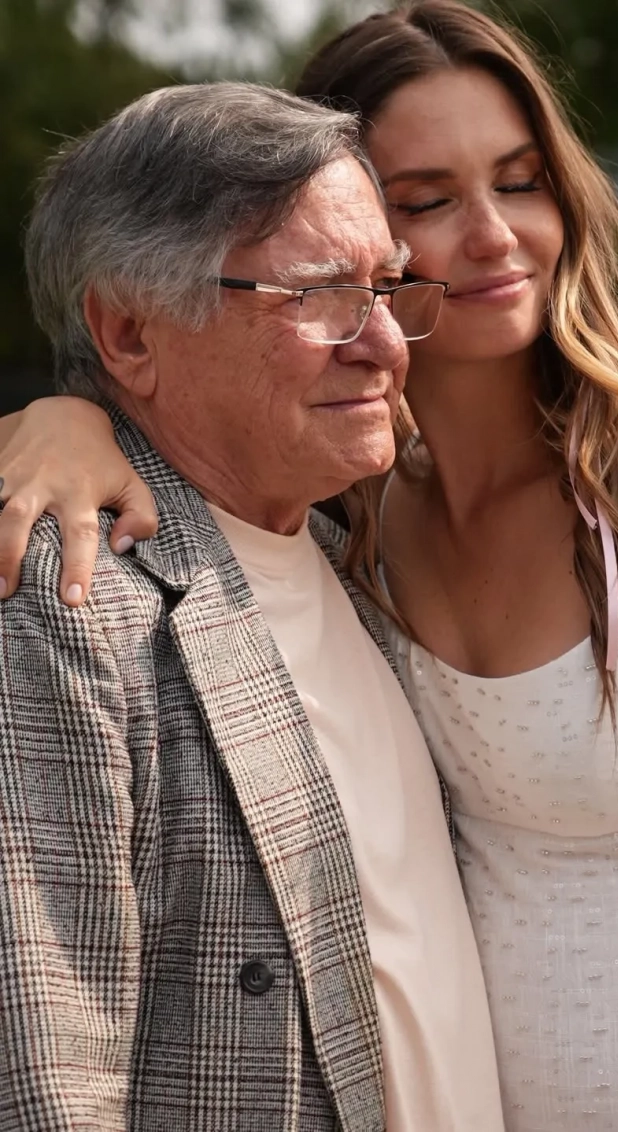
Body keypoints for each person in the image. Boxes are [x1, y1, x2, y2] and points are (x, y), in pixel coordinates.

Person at [2, 2, 618, 1130]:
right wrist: (66, 418)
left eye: (521, 179)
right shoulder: (351, 521)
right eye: (428, 201)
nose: (493, 236)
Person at [0, 79, 506, 1131]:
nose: (386, 343)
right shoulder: (60, 599)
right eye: (318, 295)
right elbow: (47, 1085)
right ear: (129, 333)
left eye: (385, 286)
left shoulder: (355, 554)